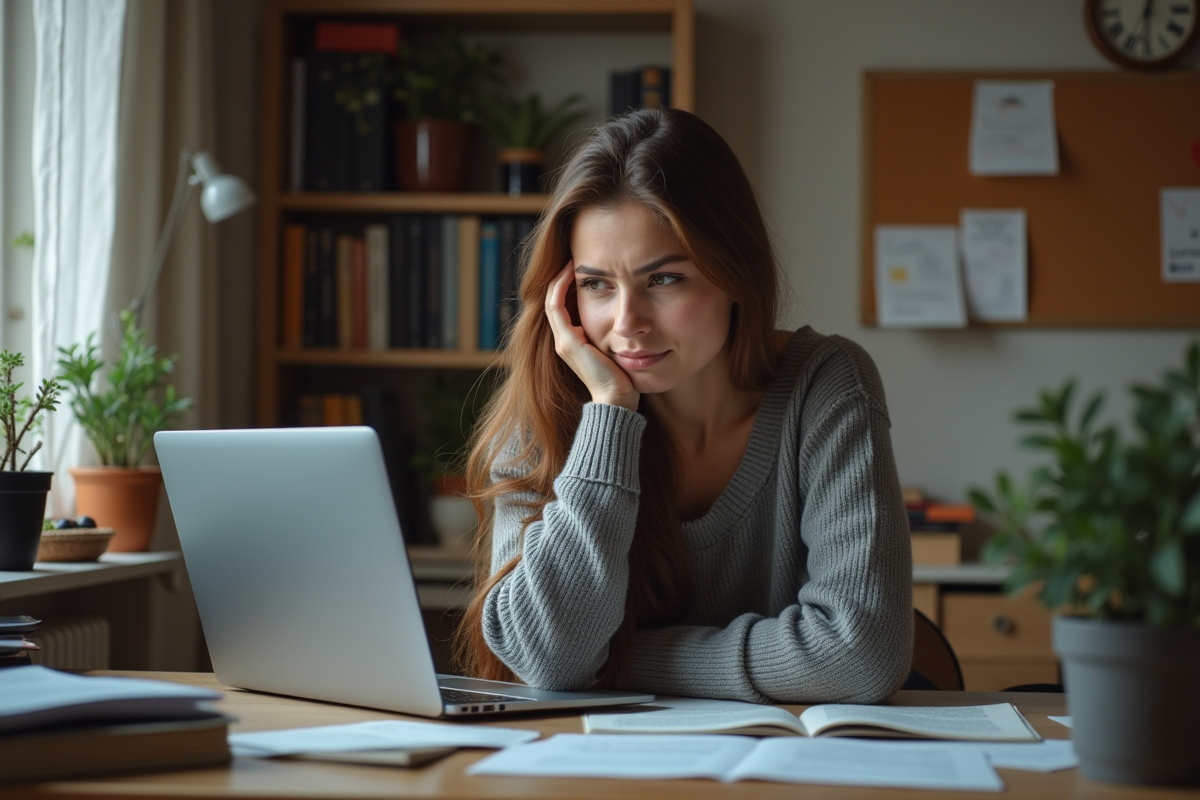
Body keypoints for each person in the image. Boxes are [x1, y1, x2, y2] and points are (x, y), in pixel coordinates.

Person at [454, 108, 912, 704]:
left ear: (733, 272)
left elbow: (860, 656)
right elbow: (547, 657)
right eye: (596, 284)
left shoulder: (826, 384)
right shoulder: (546, 405)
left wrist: (617, 662)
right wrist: (610, 413)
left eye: (664, 279)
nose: (626, 325)